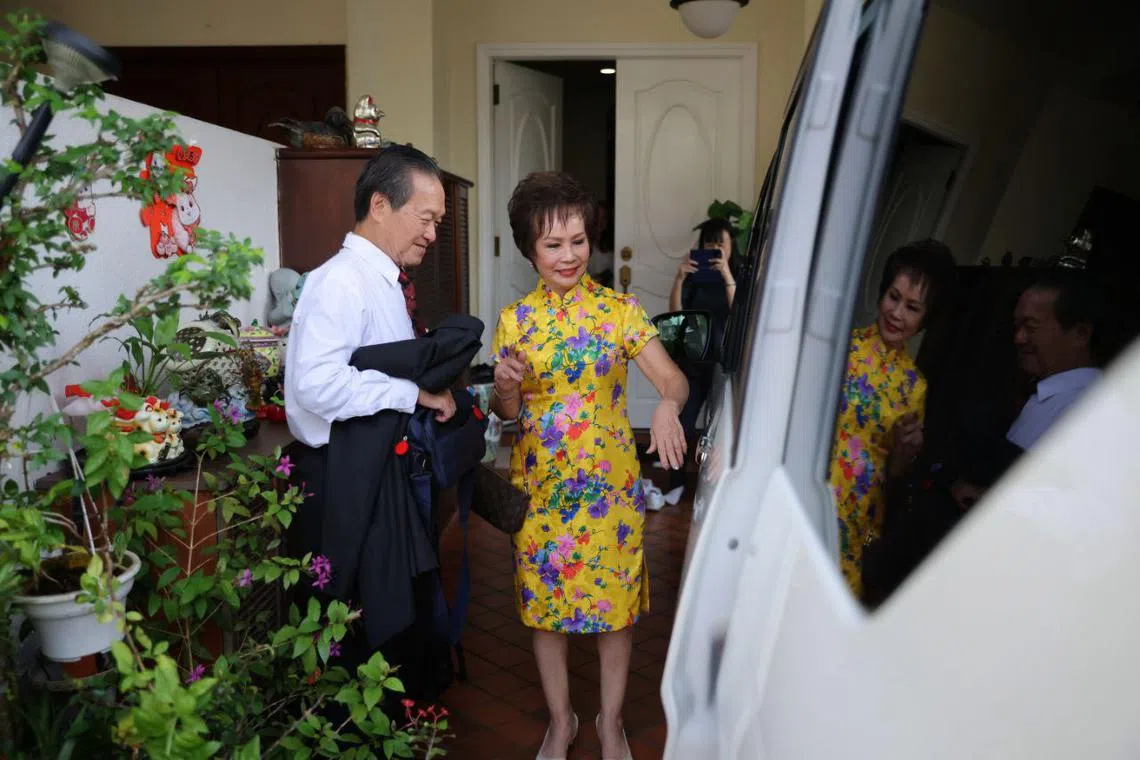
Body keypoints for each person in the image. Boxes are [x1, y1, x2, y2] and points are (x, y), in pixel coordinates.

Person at [490, 171, 688, 760]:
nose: (569, 255)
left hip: (608, 490)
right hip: (542, 488)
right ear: (530, 249)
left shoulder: (620, 311)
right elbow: (508, 413)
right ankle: (561, 721)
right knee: (545, 611)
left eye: (578, 240)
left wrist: (669, 406)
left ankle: (611, 721)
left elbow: (673, 379)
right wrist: (505, 387)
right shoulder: (516, 320)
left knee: (615, 611)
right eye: (553, 244)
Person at [282, 144, 458, 642]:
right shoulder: (340, 282)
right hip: (343, 480)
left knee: (391, 621)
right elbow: (317, 384)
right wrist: (410, 394)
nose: (433, 234)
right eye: (426, 219)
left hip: (377, 470)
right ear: (380, 204)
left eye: (439, 222)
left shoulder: (384, 279)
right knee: (351, 627)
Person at [829, 239, 955, 599]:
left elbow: (895, 474)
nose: (897, 313)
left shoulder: (914, 387)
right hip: (811, 492)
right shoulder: (841, 348)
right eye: (893, 297)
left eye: (912, 307)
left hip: (856, 518)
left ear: (926, 319)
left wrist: (906, 451)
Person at [952, 267, 1104, 508]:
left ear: (1080, 334)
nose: (1019, 338)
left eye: (1031, 327)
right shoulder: (1040, 393)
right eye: (1017, 327)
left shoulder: (1094, 410)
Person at [665, 217, 741, 494]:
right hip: (694, 362)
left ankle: (711, 488)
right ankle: (675, 484)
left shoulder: (739, 275)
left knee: (718, 429)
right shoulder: (693, 277)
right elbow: (676, 313)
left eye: (720, 243)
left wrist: (727, 276)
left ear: (731, 246)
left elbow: (739, 316)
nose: (714, 248)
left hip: (724, 364)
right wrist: (679, 278)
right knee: (683, 424)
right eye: (709, 243)